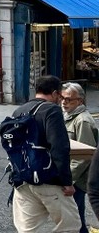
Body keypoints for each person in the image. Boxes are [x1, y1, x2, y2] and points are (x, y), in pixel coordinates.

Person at [9, 75, 78, 233]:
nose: (60, 100)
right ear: (54, 93)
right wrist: (66, 181)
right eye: (60, 96)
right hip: (48, 179)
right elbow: (59, 147)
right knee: (70, 225)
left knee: (27, 229)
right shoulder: (51, 110)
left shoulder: (19, 110)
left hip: (22, 180)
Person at [62, 82, 98, 233]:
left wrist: (68, 179)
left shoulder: (82, 121)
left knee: (76, 218)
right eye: (63, 98)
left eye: (69, 99)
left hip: (77, 179)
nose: (64, 102)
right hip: (72, 177)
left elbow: (84, 155)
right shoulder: (68, 116)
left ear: (80, 101)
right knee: (73, 217)